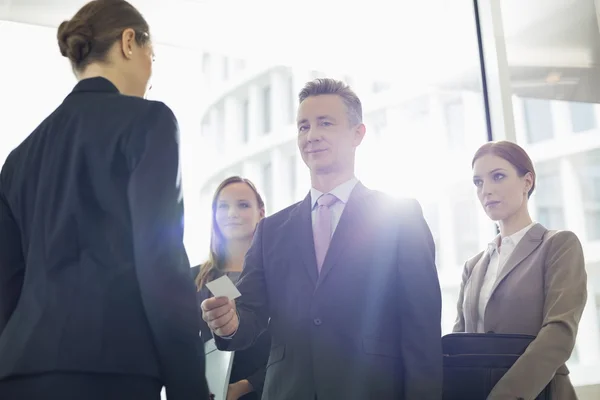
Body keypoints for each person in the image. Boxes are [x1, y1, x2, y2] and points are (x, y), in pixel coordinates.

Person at [0, 1, 208, 399]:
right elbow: (160, 262)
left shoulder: (18, 158)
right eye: (152, 56)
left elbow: (7, 287)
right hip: (111, 369)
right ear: (130, 42)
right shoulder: (149, 121)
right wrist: (190, 389)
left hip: (18, 373)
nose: (151, 74)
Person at [201, 78, 443, 399]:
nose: (311, 135)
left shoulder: (400, 217)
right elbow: (251, 314)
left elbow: (421, 330)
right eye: (303, 126)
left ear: (357, 134)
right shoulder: (271, 230)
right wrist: (229, 325)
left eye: (325, 123)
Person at [454, 141, 587, 399]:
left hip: (541, 392)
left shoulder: (558, 245)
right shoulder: (473, 266)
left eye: (498, 177)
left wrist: (504, 395)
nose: (486, 190)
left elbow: (559, 332)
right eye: (478, 182)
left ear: (527, 182)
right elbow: (461, 341)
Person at [192, 176, 270, 400]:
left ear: (261, 213)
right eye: (223, 206)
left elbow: (293, 344)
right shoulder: (194, 277)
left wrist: (245, 386)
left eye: (243, 205)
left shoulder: (277, 275)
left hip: (266, 392)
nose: (232, 213)